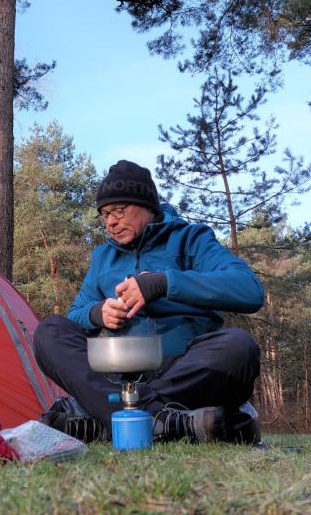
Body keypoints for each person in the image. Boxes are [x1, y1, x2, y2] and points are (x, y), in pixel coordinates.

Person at [34, 160, 264, 444]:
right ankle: (164, 421)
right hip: (122, 378)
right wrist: (97, 314)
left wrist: (165, 283)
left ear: (148, 206)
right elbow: (74, 317)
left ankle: (114, 419)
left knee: (238, 346)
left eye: (119, 210)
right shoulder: (103, 258)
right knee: (49, 331)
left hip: (187, 373)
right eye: (104, 214)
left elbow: (249, 290)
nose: (110, 222)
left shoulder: (191, 239)